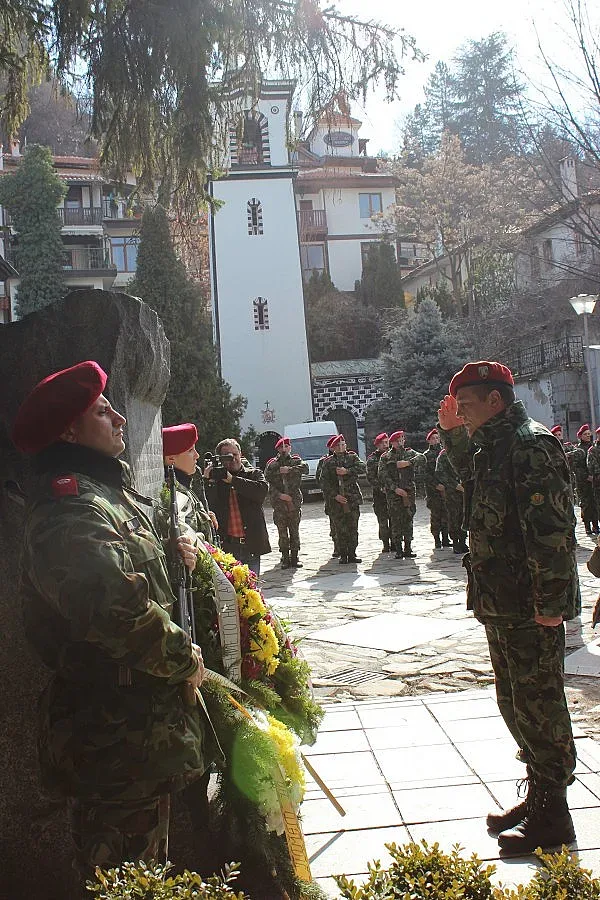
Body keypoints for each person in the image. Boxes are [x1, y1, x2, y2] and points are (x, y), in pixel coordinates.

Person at [12, 361, 208, 885]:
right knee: (125, 880)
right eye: (103, 411)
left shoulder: (103, 495)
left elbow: (127, 570)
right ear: (68, 432)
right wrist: (183, 656)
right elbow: (113, 609)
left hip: (140, 736)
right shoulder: (70, 508)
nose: (120, 418)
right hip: (113, 743)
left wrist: (172, 552)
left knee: (147, 877)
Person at [438, 360, 579, 855]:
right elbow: (472, 478)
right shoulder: (494, 445)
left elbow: (553, 533)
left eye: (466, 405)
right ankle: (540, 792)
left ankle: (554, 814)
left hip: (529, 605)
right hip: (501, 602)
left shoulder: (530, 445)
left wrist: (550, 604)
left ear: (495, 400)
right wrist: (451, 433)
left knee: (541, 706)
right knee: (514, 703)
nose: (461, 412)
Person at [203, 438, 270, 575]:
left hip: (251, 545)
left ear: (241, 455)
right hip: (227, 547)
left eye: (235, 454)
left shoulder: (253, 474)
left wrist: (232, 480)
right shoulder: (215, 480)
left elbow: (261, 492)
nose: (232, 458)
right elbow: (206, 504)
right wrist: (207, 480)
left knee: (252, 587)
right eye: (227, 456)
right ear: (220, 459)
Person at [163, 423, 218, 542]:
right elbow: (187, 539)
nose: (197, 456)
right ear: (171, 458)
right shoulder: (173, 492)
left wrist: (204, 517)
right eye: (190, 450)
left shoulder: (183, 485)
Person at [378, 430, 425, 560]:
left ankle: (408, 547)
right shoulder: (386, 457)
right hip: (394, 494)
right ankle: (398, 549)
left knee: (408, 518)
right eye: (397, 441)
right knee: (396, 520)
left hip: (408, 492)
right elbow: (382, 475)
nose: (400, 443)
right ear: (392, 443)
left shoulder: (410, 453)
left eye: (402, 440)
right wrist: (395, 488)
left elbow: (422, 458)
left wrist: (408, 463)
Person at [319, 434, 366, 564]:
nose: (341, 447)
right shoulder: (328, 462)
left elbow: (362, 467)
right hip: (336, 501)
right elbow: (323, 482)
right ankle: (343, 554)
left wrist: (347, 471)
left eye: (343, 444)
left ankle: (352, 553)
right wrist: (335, 495)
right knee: (340, 529)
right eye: (338, 445)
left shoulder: (352, 457)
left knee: (353, 527)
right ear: (333, 448)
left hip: (352, 498)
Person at [264, 436, 308, 568]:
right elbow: (267, 481)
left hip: (294, 502)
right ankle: (285, 557)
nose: (284, 449)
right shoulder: (272, 464)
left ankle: (295, 557)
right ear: (277, 449)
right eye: (281, 447)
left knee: (294, 531)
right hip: (280, 504)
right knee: (282, 533)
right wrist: (280, 495)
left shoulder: (296, 461)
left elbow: (305, 468)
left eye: (286, 446)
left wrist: (290, 470)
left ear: (290, 448)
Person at [435, 447, 468, 554]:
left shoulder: (465, 451)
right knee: (453, 516)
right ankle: (455, 542)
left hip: (465, 490)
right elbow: (440, 473)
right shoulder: (444, 455)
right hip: (452, 492)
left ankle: (463, 541)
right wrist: (455, 485)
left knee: (464, 515)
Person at [567, 423, 598, 536]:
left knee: (594, 502)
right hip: (583, 482)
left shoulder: (593, 448)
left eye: (589, 434)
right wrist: (586, 476)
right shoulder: (579, 450)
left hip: (594, 480)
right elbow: (576, 467)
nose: (588, 436)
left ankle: (595, 525)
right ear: (580, 436)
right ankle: (587, 526)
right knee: (586, 503)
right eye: (585, 434)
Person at [423, 427, 450, 550]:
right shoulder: (426, 456)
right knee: (435, 516)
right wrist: (435, 485)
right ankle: (437, 539)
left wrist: (446, 484)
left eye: (437, 438)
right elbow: (425, 474)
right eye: (433, 438)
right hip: (433, 491)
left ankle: (445, 538)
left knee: (446, 514)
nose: (436, 440)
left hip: (445, 488)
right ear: (429, 441)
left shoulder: (444, 453)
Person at [366, 432, 392, 552]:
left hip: (393, 493)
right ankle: (385, 543)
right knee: (383, 520)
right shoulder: (372, 459)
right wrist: (381, 487)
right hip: (380, 495)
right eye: (383, 443)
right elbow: (370, 477)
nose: (386, 445)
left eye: (387, 442)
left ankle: (395, 542)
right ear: (378, 445)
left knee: (395, 520)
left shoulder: (392, 455)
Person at [317, 435, 341, 558]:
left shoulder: (348, 457)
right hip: (331, 498)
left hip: (347, 495)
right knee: (334, 522)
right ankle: (337, 546)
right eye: (336, 445)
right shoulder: (324, 461)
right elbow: (319, 479)